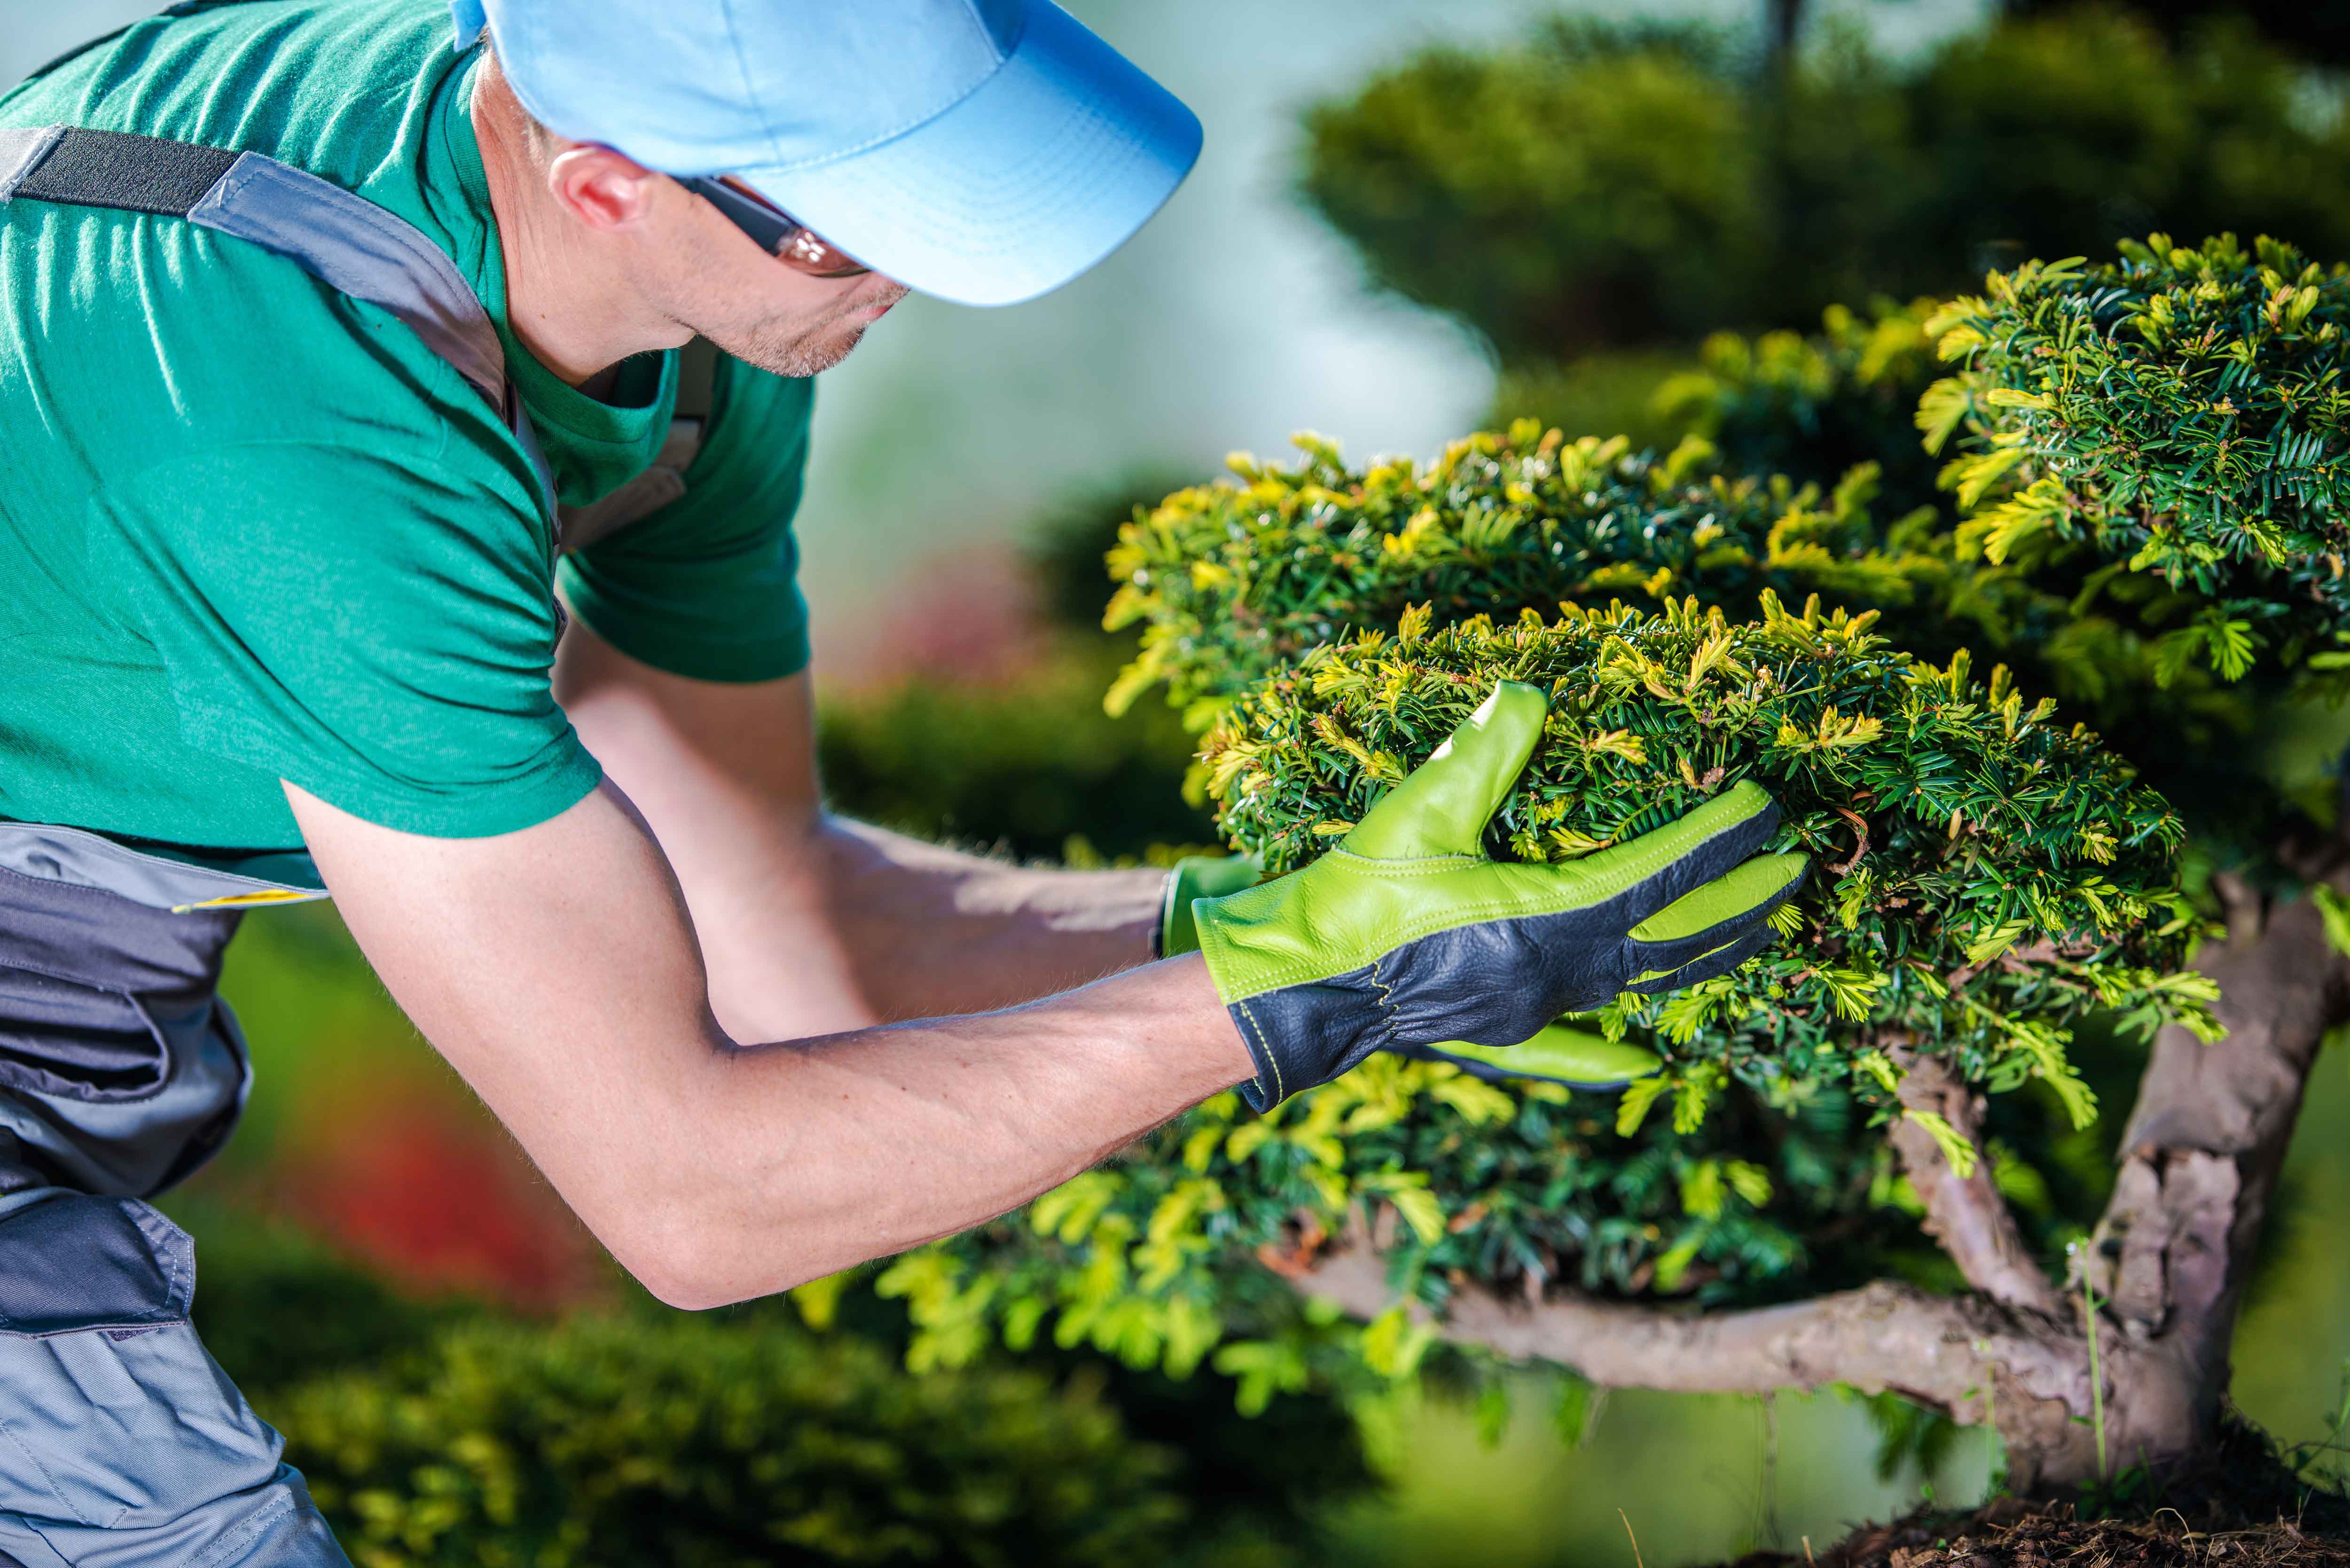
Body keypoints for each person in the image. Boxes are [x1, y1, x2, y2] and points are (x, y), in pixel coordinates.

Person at [0, 0, 1810, 1560]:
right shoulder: (300, 424)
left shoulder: (698, 328)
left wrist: (1260, 925)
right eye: (851, 229)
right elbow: (692, 1198)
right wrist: (1302, 999)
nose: (901, 284)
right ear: (603, 180)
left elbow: (793, 927)